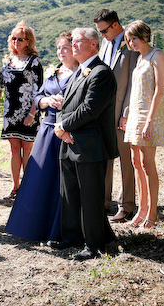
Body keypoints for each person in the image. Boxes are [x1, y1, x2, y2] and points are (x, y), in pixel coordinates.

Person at [49, 27, 118, 260]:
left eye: (79, 41)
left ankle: (95, 244)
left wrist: (64, 127)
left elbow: (90, 109)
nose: (74, 45)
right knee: (69, 193)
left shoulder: (101, 73)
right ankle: (72, 237)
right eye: (73, 41)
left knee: (90, 197)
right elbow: (66, 106)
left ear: (93, 44)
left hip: (90, 145)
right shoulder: (80, 72)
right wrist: (62, 127)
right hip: (70, 142)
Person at [6, 32, 79, 241]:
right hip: (47, 130)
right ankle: (33, 225)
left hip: (67, 129)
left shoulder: (82, 73)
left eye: (65, 48)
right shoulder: (53, 71)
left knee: (60, 180)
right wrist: (46, 102)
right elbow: (37, 97)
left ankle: (58, 228)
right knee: (39, 177)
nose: (61, 52)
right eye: (59, 48)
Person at [122, 21, 164, 231]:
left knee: (148, 164)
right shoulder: (139, 59)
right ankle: (141, 209)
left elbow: (159, 90)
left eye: (134, 38)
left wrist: (149, 121)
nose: (131, 42)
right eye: (129, 39)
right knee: (135, 162)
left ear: (144, 35)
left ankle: (152, 213)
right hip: (134, 116)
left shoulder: (157, 56)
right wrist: (127, 115)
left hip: (150, 115)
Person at [94, 9, 138, 222]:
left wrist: (126, 113)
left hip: (121, 112)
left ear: (115, 25)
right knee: (105, 157)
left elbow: (133, 83)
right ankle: (102, 201)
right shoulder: (104, 44)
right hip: (103, 111)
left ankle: (127, 205)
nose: (102, 35)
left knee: (125, 160)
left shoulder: (131, 45)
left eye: (104, 31)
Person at [0, 21, 43, 200]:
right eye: (14, 38)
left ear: (28, 41)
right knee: (13, 149)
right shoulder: (8, 61)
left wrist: (32, 113)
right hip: (10, 111)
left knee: (27, 149)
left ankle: (28, 187)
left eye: (20, 39)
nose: (16, 41)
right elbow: (0, 84)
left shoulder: (34, 62)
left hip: (27, 112)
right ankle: (15, 186)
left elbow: (38, 89)